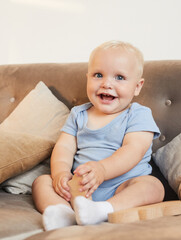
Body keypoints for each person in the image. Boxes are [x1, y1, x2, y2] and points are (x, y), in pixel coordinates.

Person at [32, 40, 164, 231]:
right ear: (88, 78)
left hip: (121, 187)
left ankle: (104, 210)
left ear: (137, 86)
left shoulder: (138, 114)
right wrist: (60, 173)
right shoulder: (79, 114)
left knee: (153, 186)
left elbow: (133, 150)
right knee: (41, 182)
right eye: (98, 75)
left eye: (119, 77)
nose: (106, 83)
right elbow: (64, 147)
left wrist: (102, 169)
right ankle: (64, 213)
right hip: (79, 188)